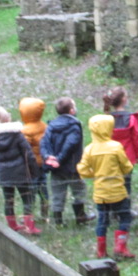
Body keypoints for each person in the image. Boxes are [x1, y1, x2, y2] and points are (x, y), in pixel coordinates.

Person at [77, 114, 135, 259]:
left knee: (102, 220)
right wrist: (120, 172)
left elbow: (82, 170)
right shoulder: (115, 147)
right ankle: (120, 247)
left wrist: (95, 174)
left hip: (100, 193)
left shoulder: (89, 149)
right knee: (125, 217)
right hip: (117, 191)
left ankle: (101, 251)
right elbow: (127, 167)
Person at [0, 105, 41, 235]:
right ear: (7, 118)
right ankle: (29, 226)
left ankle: (12, 225)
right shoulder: (16, 135)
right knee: (27, 198)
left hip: (3, 174)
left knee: (8, 200)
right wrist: (34, 170)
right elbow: (28, 154)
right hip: (20, 172)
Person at [40, 97, 94, 226]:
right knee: (79, 190)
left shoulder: (51, 125)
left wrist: (47, 156)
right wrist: (59, 159)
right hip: (72, 167)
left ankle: (58, 221)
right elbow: (70, 144)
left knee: (57, 192)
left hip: (56, 169)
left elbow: (44, 143)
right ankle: (80, 216)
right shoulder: (74, 125)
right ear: (71, 111)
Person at [103, 86, 138, 218]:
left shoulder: (106, 119)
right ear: (124, 100)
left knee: (112, 183)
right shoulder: (131, 119)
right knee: (126, 184)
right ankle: (124, 211)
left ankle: (112, 211)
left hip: (110, 158)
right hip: (128, 157)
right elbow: (137, 138)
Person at [19, 97, 50, 221]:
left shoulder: (24, 131)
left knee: (30, 192)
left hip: (30, 166)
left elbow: (23, 148)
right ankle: (45, 213)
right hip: (42, 163)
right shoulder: (45, 127)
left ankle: (28, 215)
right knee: (43, 188)